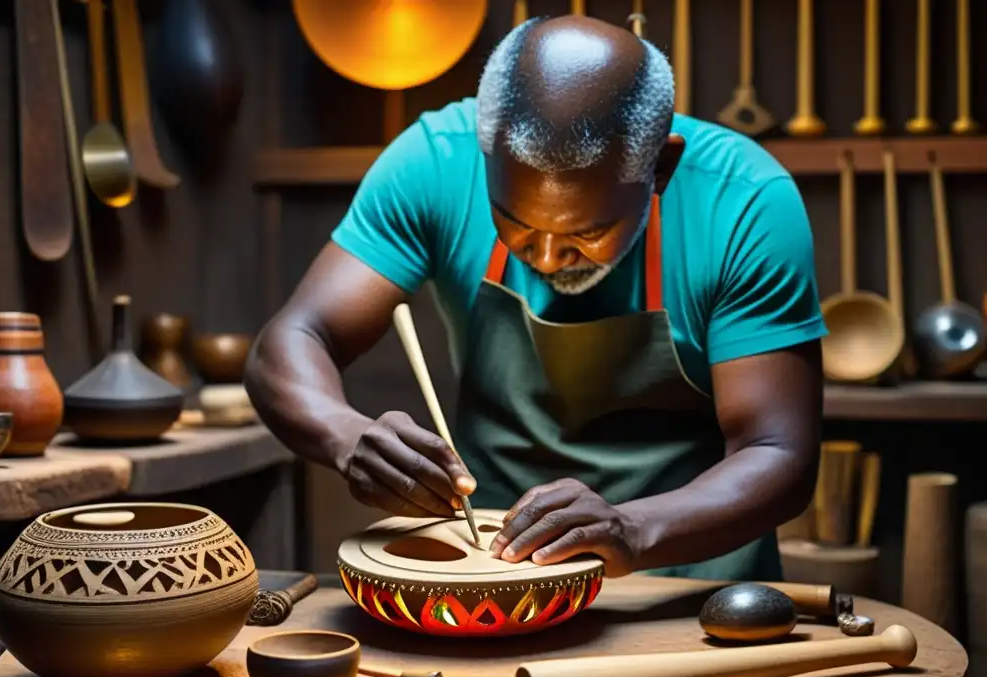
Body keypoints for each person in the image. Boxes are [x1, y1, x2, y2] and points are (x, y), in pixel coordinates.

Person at [244, 14, 826, 582]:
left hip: (688, 584)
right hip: (498, 570)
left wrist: (630, 528)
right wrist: (345, 436)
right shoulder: (435, 160)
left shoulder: (743, 202)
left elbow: (778, 453)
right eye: (515, 223)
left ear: (661, 168)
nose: (546, 257)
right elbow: (292, 341)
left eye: (587, 233)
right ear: (483, 150)